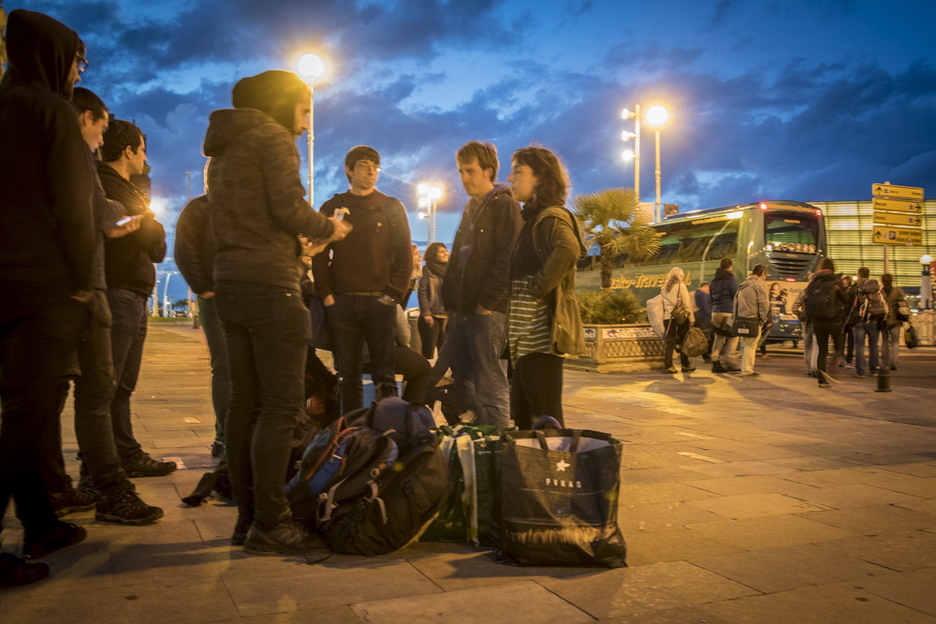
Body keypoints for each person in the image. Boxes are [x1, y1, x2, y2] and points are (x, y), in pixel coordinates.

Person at [204, 69, 349, 555]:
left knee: (244, 404)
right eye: (305, 110)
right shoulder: (271, 138)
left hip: (231, 283)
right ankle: (271, 521)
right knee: (281, 408)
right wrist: (329, 227)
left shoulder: (223, 151)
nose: (306, 124)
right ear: (285, 103)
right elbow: (288, 209)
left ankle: (247, 520)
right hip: (271, 285)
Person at [39, 87, 164, 526]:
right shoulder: (71, 161)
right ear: (85, 119)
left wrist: (131, 219)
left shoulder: (78, 167)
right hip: (85, 293)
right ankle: (99, 484)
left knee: (76, 395)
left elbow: (128, 225)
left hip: (88, 290)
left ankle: (58, 494)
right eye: (101, 127)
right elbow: (143, 234)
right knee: (89, 394)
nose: (101, 138)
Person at [0, 8, 93, 587]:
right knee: (27, 417)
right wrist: (86, 282)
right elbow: (73, 206)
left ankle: (40, 521)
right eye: (75, 59)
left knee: (21, 411)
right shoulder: (49, 111)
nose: (76, 72)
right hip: (41, 285)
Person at [97, 119, 175, 478]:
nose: (145, 160)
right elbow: (155, 237)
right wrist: (149, 219)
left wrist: (148, 219)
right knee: (107, 385)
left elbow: (156, 245)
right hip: (119, 291)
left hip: (133, 292)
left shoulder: (126, 188)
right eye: (143, 151)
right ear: (128, 151)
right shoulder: (108, 183)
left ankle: (124, 452)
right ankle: (99, 465)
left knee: (122, 385)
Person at [312, 145, 412, 413]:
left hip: (379, 303)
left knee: (385, 377)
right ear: (349, 170)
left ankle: (388, 434)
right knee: (348, 378)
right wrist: (328, 296)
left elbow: (405, 256)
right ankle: (352, 437)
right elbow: (319, 255)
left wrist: (391, 295)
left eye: (375, 167)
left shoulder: (391, 207)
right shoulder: (333, 207)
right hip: (343, 305)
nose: (371, 172)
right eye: (364, 165)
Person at [504, 146, 585, 429]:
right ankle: (533, 471)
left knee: (545, 418)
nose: (510, 178)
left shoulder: (551, 216)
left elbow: (568, 248)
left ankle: (554, 470)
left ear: (539, 177)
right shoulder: (533, 218)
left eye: (518, 171)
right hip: (525, 339)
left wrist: (538, 286)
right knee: (527, 420)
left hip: (538, 338)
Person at [443, 141, 522, 428]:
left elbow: (508, 258)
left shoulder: (504, 205)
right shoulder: (471, 208)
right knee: (463, 384)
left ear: (488, 171)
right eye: (461, 171)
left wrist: (486, 305)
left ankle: (499, 454)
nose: (464, 178)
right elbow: (458, 260)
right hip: (463, 311)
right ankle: (477, 445)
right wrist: (450, 302)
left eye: (470, 171)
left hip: (488, 313)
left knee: (492, 387)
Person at [174, 190, 230, 459]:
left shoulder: (244, 204)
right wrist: (204, 288)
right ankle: (224, 437)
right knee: (225, 367)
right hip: (216, 297)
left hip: (245, 294)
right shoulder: (198, 209)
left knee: (245, 369)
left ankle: (236, 433)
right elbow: (184, 250)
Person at [804, 258, 849, 388]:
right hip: (833, 320)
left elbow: (806, 300)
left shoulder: (813, 284)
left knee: (822, 351)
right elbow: (846, 300)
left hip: (817, 321)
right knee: (839, 346)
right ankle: (832, 368)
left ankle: (822, 379)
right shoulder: (836, 281)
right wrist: (839, 291)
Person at [734, 264, 770, 377]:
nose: (765, 277)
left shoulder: (743, 285)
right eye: (765, 275)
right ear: (762, 273)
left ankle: (744, 367)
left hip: (741, 318)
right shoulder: (759, 285)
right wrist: (763, 320)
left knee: (744, 344)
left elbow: (735, 302)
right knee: (751, 345)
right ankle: (747, 369)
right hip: (753, 319)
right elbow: (764, 304)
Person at [660, 267, 696, 374]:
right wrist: (692, 318)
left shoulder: (664, 288)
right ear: (679, 276)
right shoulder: (681, 286)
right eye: (682, 276)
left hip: (668, 318)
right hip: (680, 317)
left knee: (670, 342)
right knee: (684, 341)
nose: (682, 278)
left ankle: (668, 365)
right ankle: (685, 365)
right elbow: (686, 303)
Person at [417, 242, 449, 359]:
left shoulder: (450, 270)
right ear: (433, 255)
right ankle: (427, 374)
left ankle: (442, 375)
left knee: (445, 349)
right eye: (441, 252)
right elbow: (422, 291)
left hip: (446, 315)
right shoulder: (428, 270)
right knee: (429, 349)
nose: (446, 253)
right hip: (432, 315)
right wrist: (426, 313)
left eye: (445, 251)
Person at [850, 267, 883, 378]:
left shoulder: (856, 287)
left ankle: (861, 371)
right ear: (869, 275)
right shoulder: (876, 287)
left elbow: (850, 302)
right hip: (873, 318)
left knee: (859, 346)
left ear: (858, 275)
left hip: (859, 320)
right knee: (874, 345)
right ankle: (874, 369)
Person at [709, 257, 739, 373]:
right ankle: (729, 361)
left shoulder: (714, 280)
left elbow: (711, 297)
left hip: (716, 312)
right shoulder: (730, 278)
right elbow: (735, 295)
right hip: (728, 311)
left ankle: (715, 361)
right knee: (733, 337)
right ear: (730, 267)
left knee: (719, 338)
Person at [880, 273, 907, 371]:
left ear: (882, 282)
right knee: (895, 342)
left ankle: (885, 363)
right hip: (895, 320)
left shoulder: (880, 292)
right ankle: (894, 363)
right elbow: (903, 304)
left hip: (883, 320)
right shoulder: (898, 291)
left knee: (885, 342)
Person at [692, 281, 713, 362]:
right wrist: (711, 315)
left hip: (700, 317)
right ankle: (706, 356)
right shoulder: (702, 294)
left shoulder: (697, 293)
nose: (709, 291)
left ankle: (707, 355)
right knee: (706, 338)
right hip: (704, 318)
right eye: (708, 289)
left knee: (705, 337)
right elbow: (705, 306)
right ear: (705, 287)